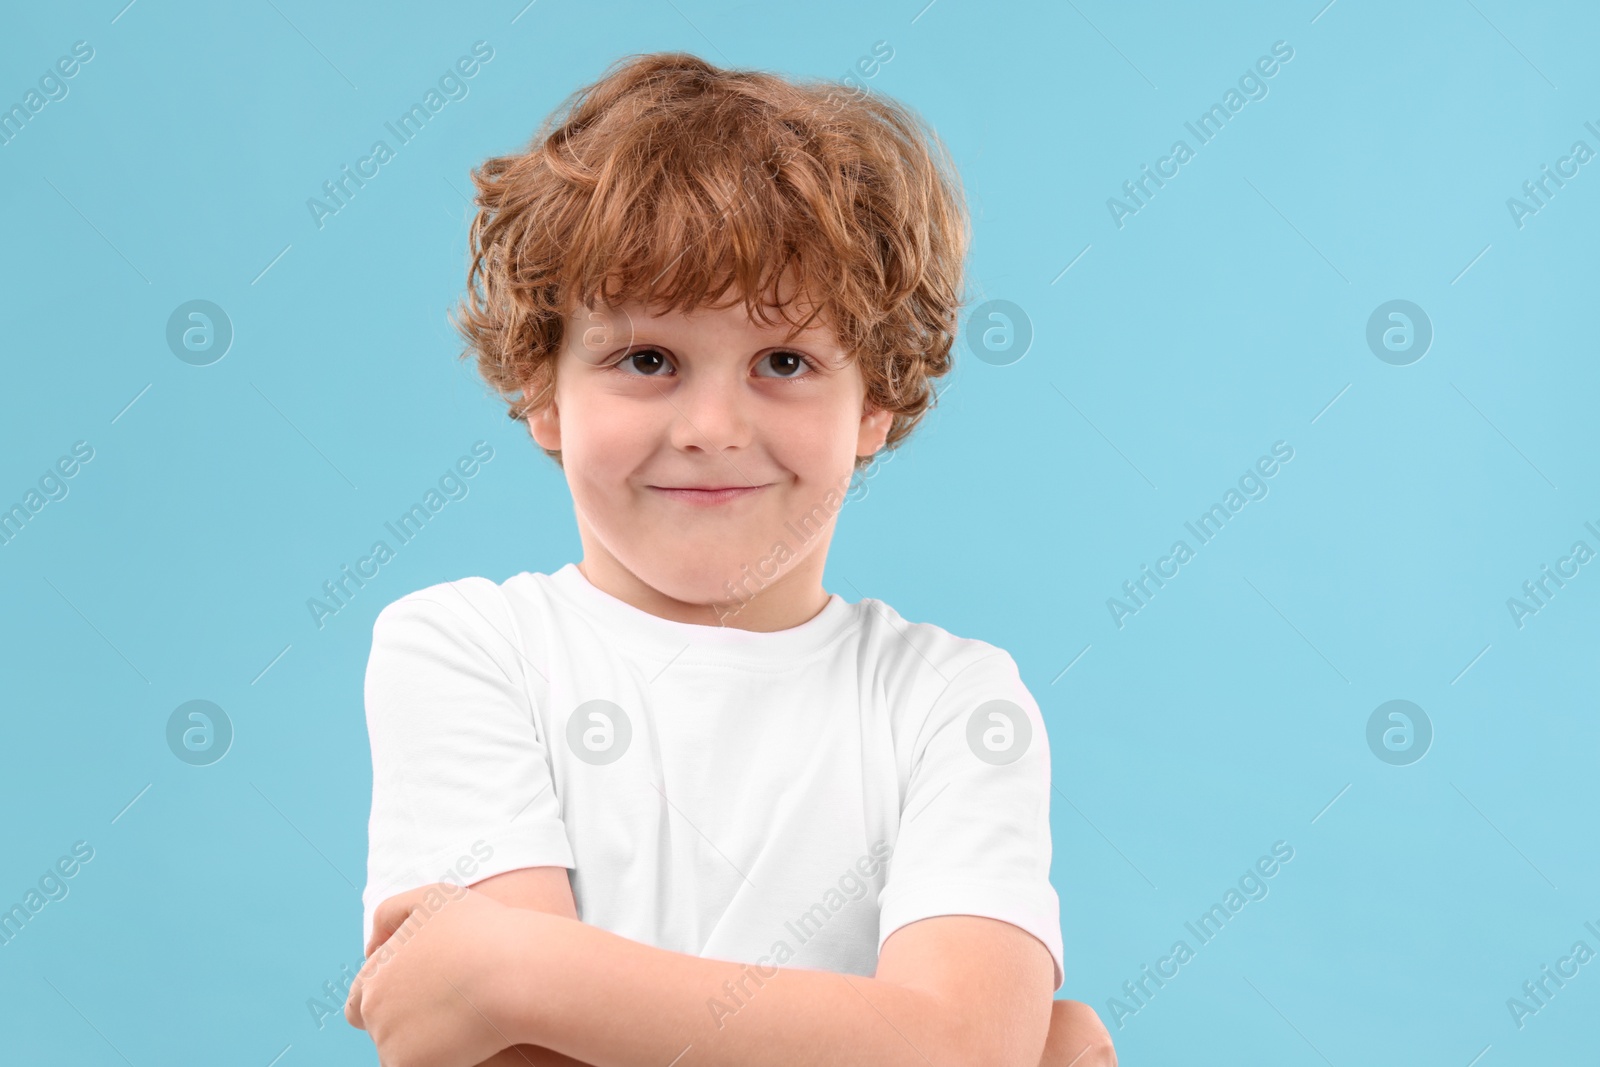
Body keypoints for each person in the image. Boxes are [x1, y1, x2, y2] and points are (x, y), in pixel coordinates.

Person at [344, 50, 1115, 1067]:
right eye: (647, 359)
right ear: (542, 388)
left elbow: (960, 1048)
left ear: (874, 399)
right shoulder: (464, 648)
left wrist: (515, 972)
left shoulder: (952, 702)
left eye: (784, 361)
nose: (711, 426)